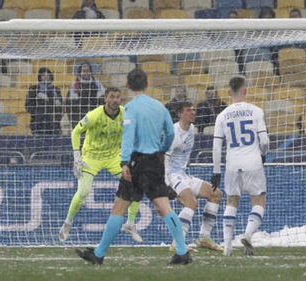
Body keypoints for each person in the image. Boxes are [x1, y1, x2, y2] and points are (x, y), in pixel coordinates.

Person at [75, 68, 191, 265]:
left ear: (128, 86)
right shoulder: (160, 107)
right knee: (164, 206)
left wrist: (125, 162)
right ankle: (182, 251)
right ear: (147, 84)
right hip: (155, 161)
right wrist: (162, 150)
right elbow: (170, 135)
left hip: (137, 162)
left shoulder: (130, 108)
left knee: (119, 207)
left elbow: (128, 136)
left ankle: (99, 254)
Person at [59, 87, 142, 243]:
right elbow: (75, 132)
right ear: (105, 99)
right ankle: (67, 223)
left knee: (136, 184)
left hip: (113, 156)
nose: (116, 100)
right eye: (112, 97)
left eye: (118, 97)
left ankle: (130, 223)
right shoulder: (94, 115)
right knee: (83, 192)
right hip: (91, 157)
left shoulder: (125, 114)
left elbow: (134, 131)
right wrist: (77, 155)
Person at [212, 76, 269, 256]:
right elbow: (265, 140)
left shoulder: (222, 115)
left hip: (232, 163)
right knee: (258, 200)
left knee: (231, 201)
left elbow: (216, 146)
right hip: (252, 161)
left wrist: (216, 172)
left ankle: (227, 247)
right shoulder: (256, 111)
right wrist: (262, 153)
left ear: (229, 92)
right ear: (246, 90)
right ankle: (247, 234)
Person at [165, 101, 223, 252]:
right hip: (171, 175)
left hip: (182, 175)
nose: (193, 112)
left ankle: (204, 237)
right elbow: (162, 159)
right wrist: (165, 183)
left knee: (216, 194)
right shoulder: (173, 133)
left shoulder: (191, 128)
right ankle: (177, 242)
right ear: (179, 114)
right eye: (188, 110)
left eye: (193, 109)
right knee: (191, 202)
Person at [66, 62, 105, 129]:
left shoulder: (97, 84)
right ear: (80, 72)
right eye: (83, 71)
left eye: (87, 71)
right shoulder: (74, 85)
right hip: (79, 115)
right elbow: (70, 104)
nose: (85, 73)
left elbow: (102, 100)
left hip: (94, 113)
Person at [25, 67, 63, 135]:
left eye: (47, 75)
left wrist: (56, 117)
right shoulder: (34, 89)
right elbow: (28, 105)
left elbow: (61, 106)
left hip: (53, 124)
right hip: (38, 123)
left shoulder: (56, 90)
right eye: (43, 75)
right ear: (39, 77)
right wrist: (38, 113)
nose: (46, 77)